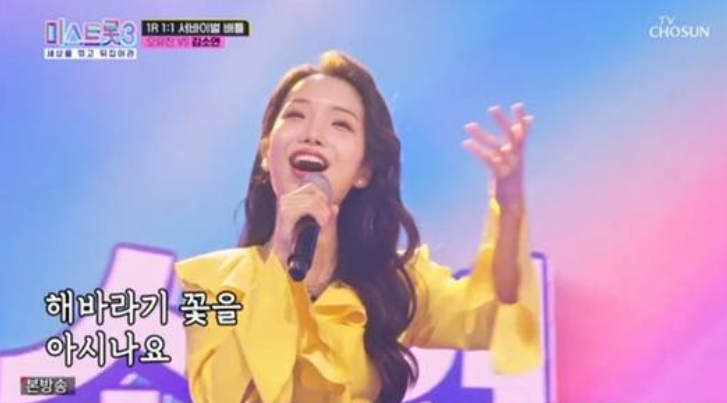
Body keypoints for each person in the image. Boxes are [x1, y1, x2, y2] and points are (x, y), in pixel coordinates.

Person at [175, 50, 541, 403]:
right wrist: (282, 257)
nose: (313, 134)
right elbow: (218, 397)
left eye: (340, 123)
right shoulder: (212, 283)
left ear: (364, 170)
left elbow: (497, 313)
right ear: (267, 152)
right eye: (296, 115)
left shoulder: (393, 284)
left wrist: (509, 210)